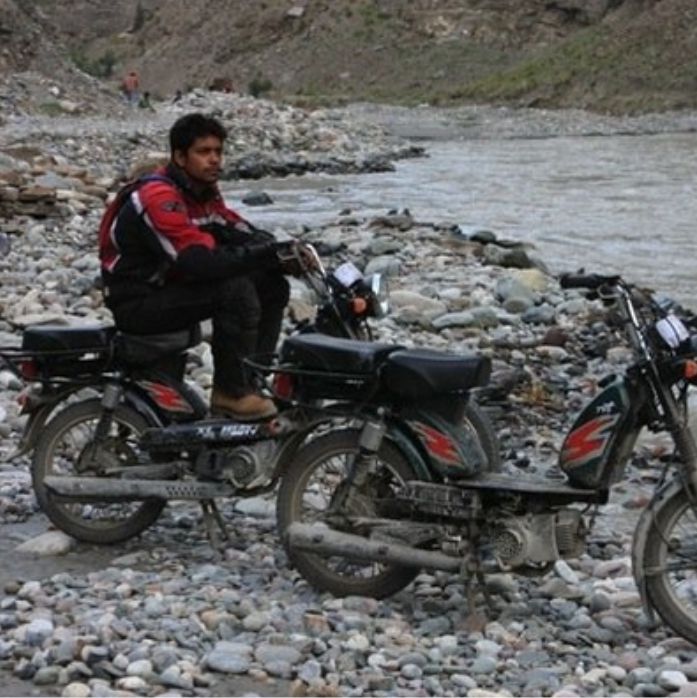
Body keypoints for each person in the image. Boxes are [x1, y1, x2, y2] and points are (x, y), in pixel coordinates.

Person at [98, 113, 293, 420]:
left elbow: (233, 227)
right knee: (234, 289)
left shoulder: (202, 193)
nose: (214, 160)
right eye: (204, 152)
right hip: (138, 300)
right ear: (179, 156)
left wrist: (280, 252)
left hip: (169, 289)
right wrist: (261, 255)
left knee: (271, 283)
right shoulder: (159, 197)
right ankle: (231, 394)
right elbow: (196, 262)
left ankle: (251, 379)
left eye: (218, 151)